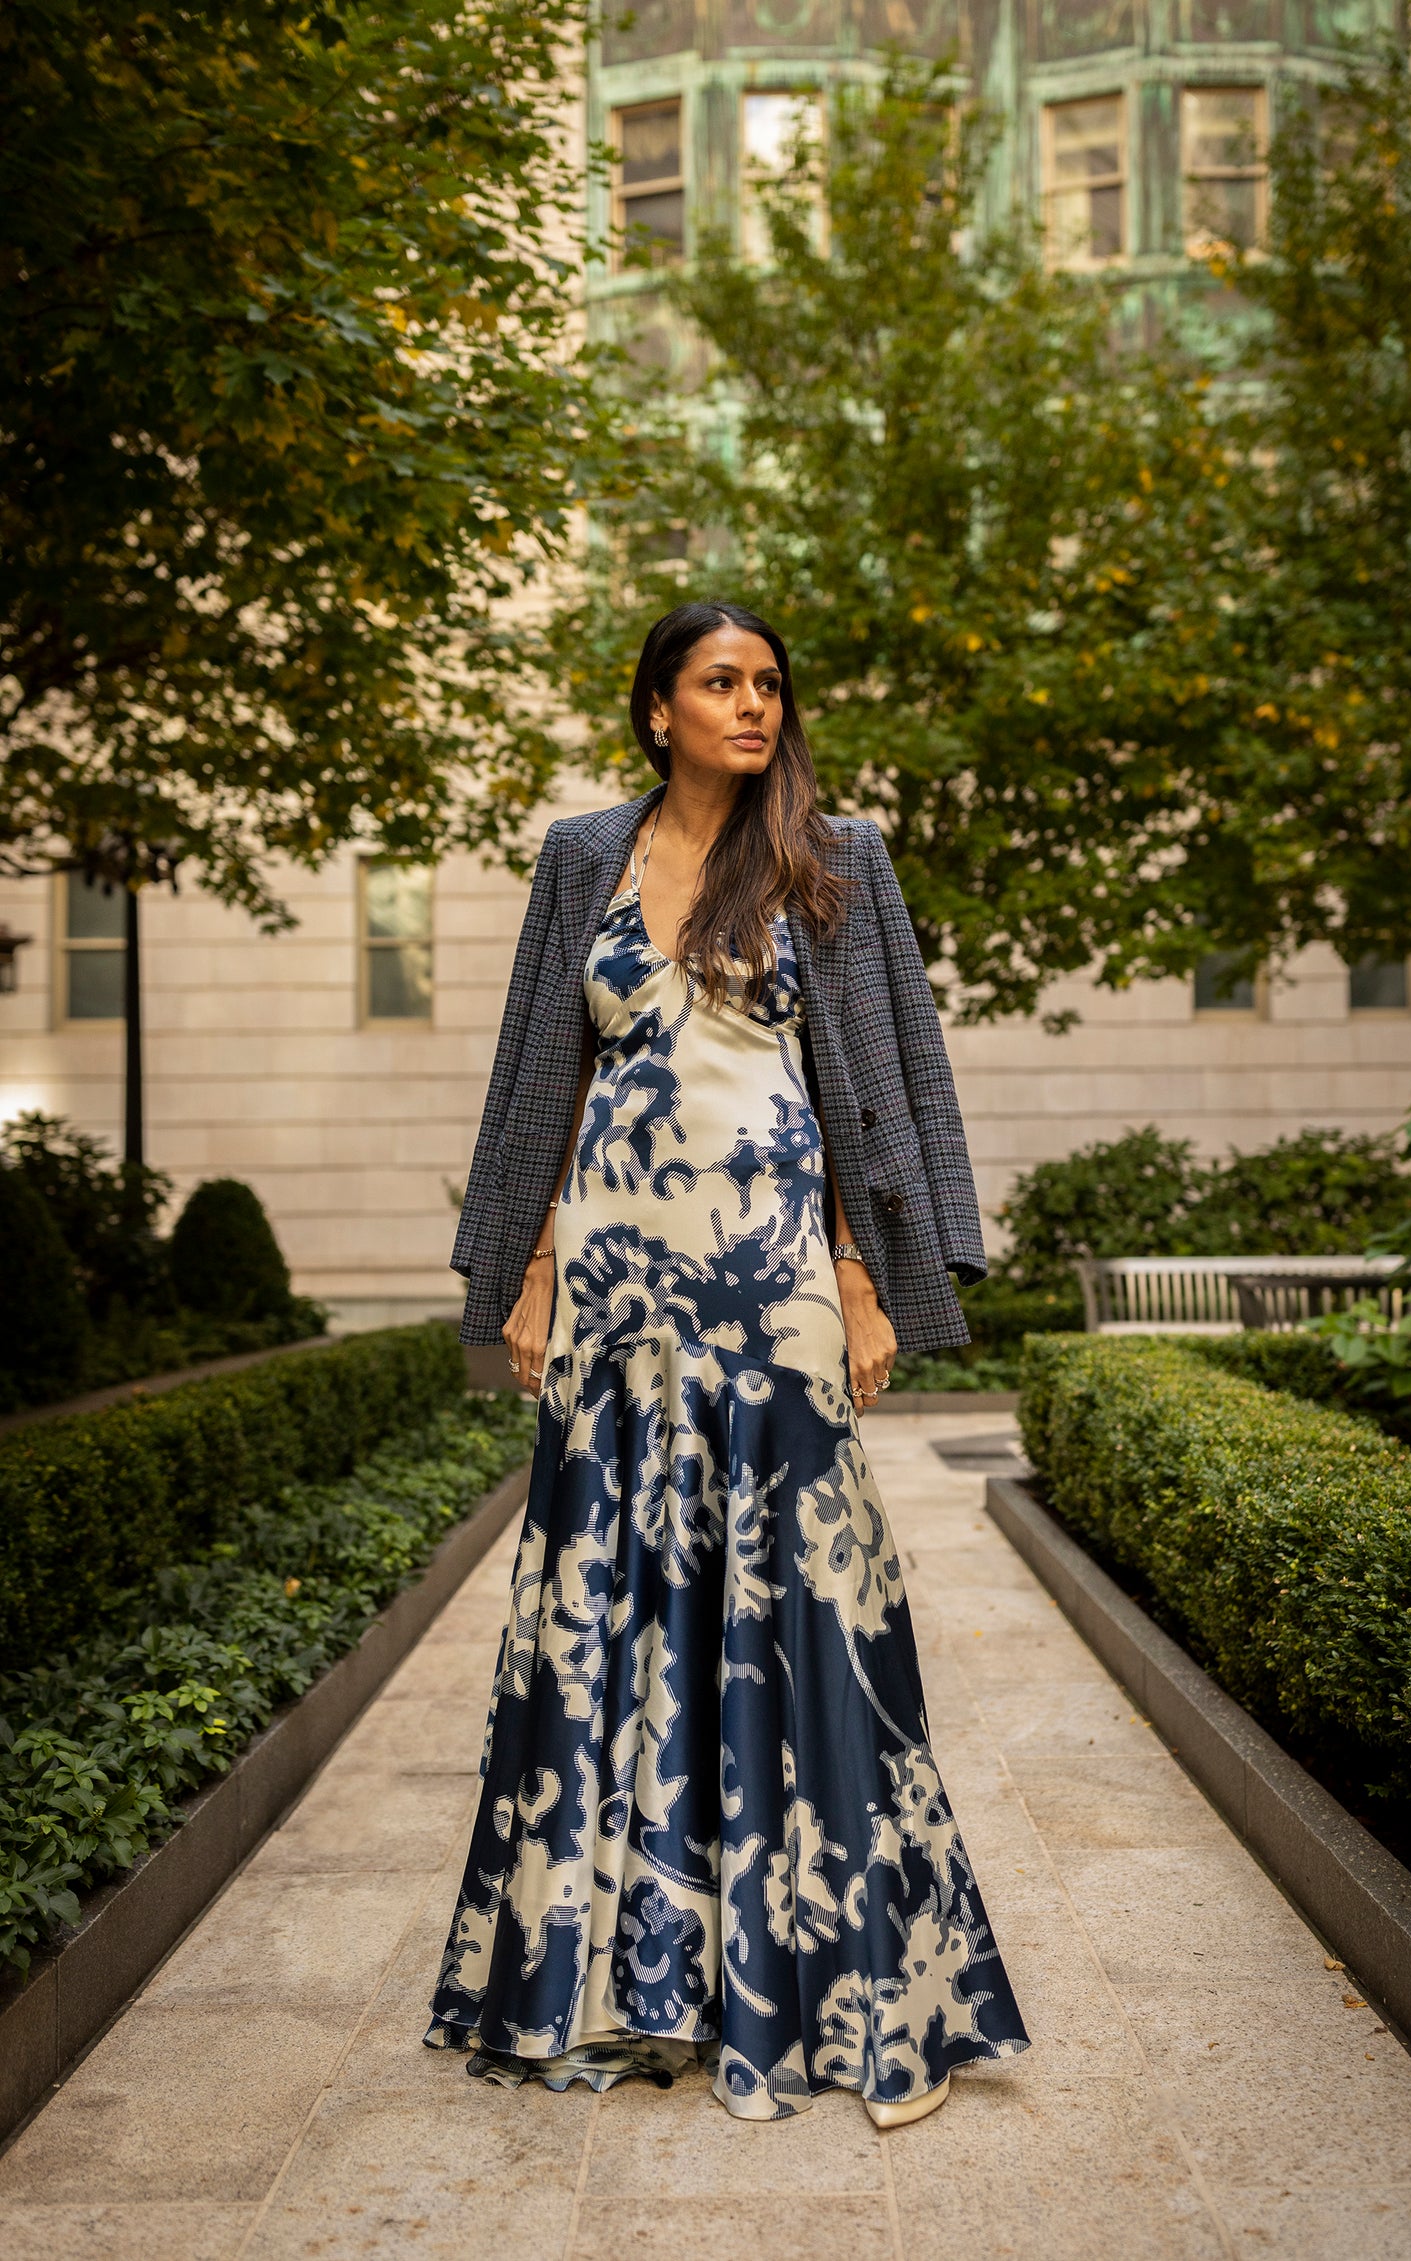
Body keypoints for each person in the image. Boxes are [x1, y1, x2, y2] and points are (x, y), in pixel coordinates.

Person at [426, 600, 1029, 2124]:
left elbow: (870, 1075)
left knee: (818, 1610)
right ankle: (635, 1984)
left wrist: (863, 1275)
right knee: (606, 1612)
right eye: (720, 682)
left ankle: (876, 1999)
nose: (753, 706)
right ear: (656, 709)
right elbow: (543, 1074)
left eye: (768, 684)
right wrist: (538, 1265)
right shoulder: (583, 856)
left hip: (771, 1274)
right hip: (619, 1281)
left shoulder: (840, 856)